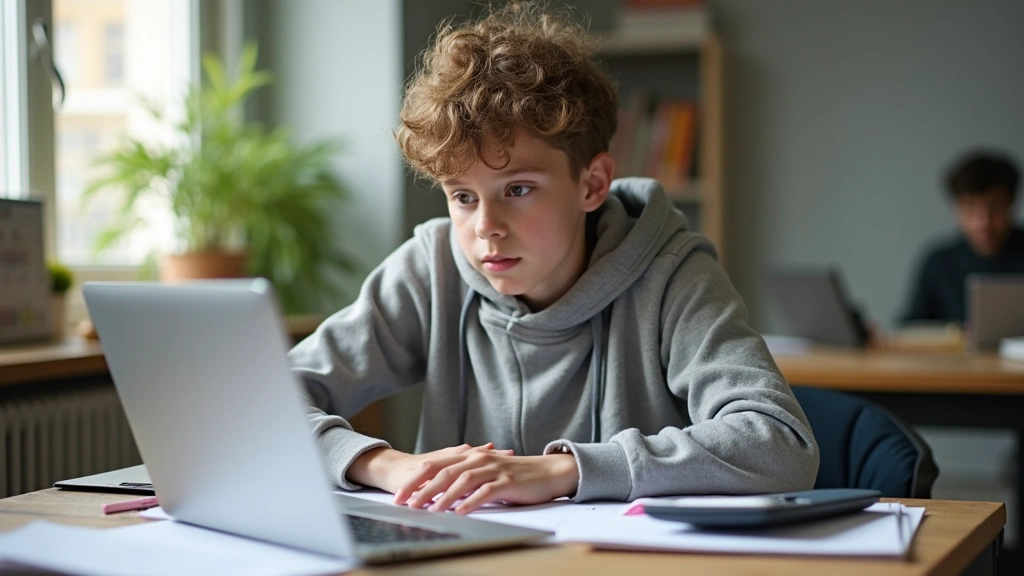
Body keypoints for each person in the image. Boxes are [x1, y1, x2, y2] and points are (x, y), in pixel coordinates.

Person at [288, 3, 818, 515]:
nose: (485, 227)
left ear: (592, 184)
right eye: (463, 196)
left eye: (518, 189)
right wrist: (385, 466)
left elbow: (781, 443)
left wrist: (565, 471)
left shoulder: (673, 274)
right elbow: (263, 406)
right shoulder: (431, 269)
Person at [902, 151, 1024, 324]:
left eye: (995, 206)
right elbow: (911, 327)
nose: (982, 222)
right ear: (956, 208)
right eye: (970, 207)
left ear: (1011, 204)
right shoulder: (938, 262)